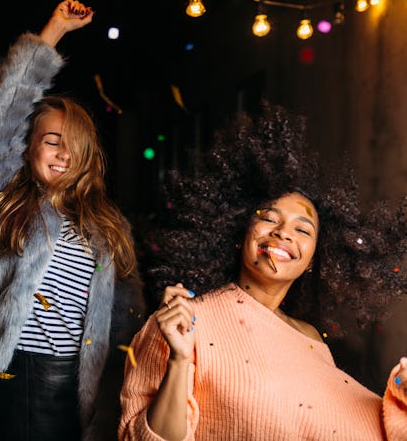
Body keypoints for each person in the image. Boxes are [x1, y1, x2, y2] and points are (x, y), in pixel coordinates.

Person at [119, 103, 407, 440]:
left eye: (303, 230)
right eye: (268, 218)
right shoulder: (183, 321)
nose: (283, 232)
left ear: (315, 258)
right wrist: (180, 360)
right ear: (240, 233)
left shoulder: (313, 341)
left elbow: (341, 423)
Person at [0, 0, 146, 441]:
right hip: (19, 374)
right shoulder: (1, 199)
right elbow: (2, 118)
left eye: (75, 145)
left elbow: (126, 315)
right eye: (51, 141)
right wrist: (54, 32)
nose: (64, 153)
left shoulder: (106, 226)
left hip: (84, 383)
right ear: (27, 148)